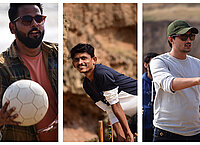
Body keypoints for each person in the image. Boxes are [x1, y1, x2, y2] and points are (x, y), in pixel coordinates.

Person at [0, 3, 58, 141]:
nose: (35, 24)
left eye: (39, 18)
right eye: (26, 20)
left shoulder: (58, 54)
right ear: (12, 27)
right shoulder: (2, 67)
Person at [70, 43, 137, 142]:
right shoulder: (87, 85)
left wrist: (128, 134)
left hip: (145, 103)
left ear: (94, 60)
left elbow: (115, 105)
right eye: (76, 59)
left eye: (84, 58)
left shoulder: (101, 74)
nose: (80, 62)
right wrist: (120, 137)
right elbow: (110, 109)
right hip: (134, 115)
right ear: (73, 64)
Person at [150, 20, 200, 142]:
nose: (188, 40)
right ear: (171, 39)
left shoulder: (197, 63)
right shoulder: (159, 61)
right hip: (167, 133)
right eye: (183, 37)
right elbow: (169, 84)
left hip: (195, 132)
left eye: (191, 36)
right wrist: (197, 80)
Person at [142, 52, 159, 142]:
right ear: (146, 65)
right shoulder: (140, 83)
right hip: (145, 127)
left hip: (161, 126)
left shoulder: (164, 82)